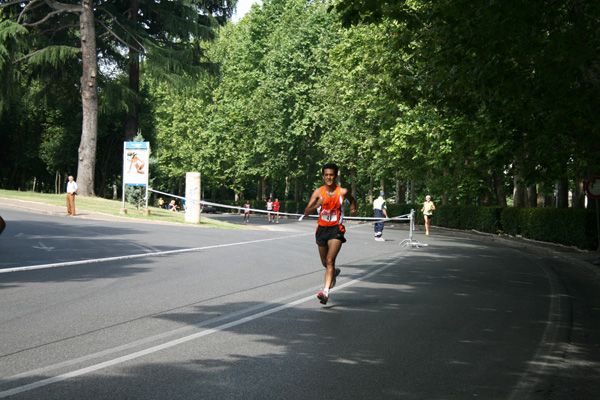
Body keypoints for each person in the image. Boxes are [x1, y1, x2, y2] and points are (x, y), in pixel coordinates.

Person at [300, 163, 357, 305]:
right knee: (325, 262)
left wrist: (353, 208)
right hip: (321, 230)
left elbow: (352, 200)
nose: (329, 177)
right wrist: (317, 204)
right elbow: (306, 212)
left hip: (336, 229)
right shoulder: (318, 192)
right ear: (323, 176)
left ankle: (325, 292)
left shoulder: (342, 192)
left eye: (331, 175)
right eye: (326, 175)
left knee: (330, 260)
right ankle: (334, 273)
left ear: (336, 176)